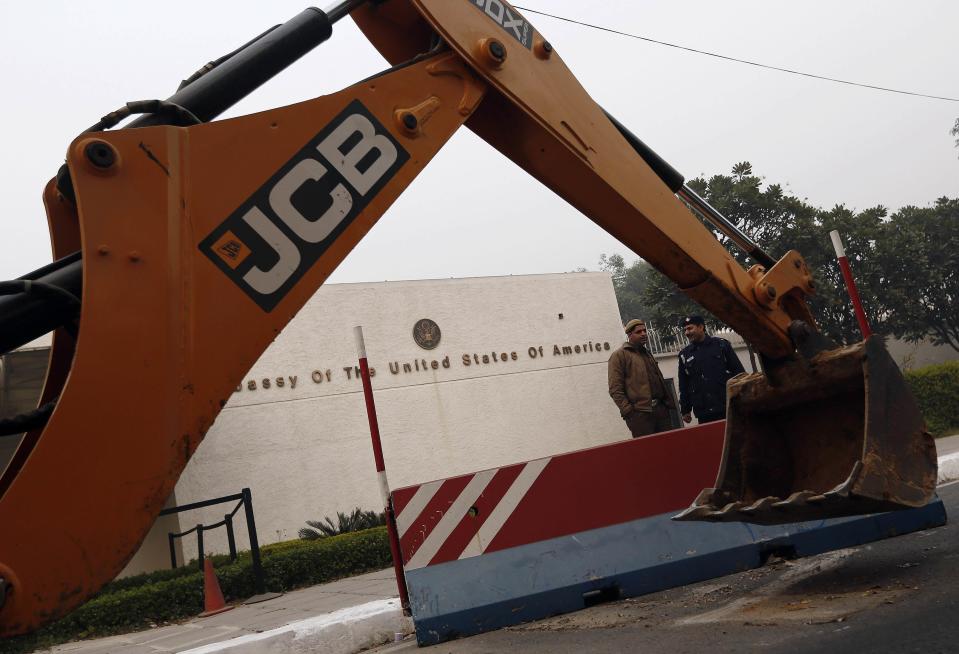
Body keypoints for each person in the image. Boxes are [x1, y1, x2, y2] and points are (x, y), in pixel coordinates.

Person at [608, 318, 675, 438]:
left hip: (661, 410)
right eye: (639, 332)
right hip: (640, 415)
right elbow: (615, 389)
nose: (644, 334)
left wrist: (666, 404)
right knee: (648, 452)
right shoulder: (619, 355)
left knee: (668, 449)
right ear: (629, 334)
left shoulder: (647, 353)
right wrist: (629, 412)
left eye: (645, 330)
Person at [677, 315, 746, 424]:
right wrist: (685, 409)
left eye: (690, 328)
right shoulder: (684, 355)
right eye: (685, 330)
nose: (687, 333)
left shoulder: (721, 345)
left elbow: (739, 373)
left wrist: (744, 398)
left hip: (727, 406)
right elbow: (684, 384)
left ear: (701, 327)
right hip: (704, 411)